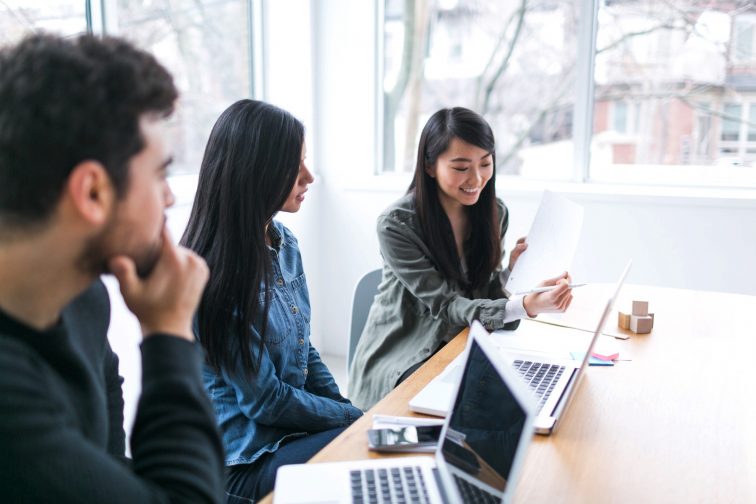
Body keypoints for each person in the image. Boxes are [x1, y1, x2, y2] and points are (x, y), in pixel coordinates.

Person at [0, 34, 224, 502]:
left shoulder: (81, 295)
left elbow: (106, 460)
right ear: (93, 193)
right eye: (160, 174)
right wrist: (168, 332)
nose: (168, 198)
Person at [181, 99, 363, 503]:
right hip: (242, 462)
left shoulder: (283, 242)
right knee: (361, 451)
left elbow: (304, 350)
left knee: (368, 442)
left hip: (285, 434)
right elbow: (265, 400)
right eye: (294, 165)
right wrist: (351, 418)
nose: (310, 176)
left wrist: (346, 408)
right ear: (256, 172)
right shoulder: (213, 274)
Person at [348, 107, 573, 410]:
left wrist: (511, 277)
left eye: (485, 163)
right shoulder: (396, 224)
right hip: (403, 359)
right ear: (430, 166)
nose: (477, 178)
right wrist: (525, 306)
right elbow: (446, 304)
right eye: (461, 167)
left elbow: (481, 290)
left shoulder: (494, 213)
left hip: (461, 344)